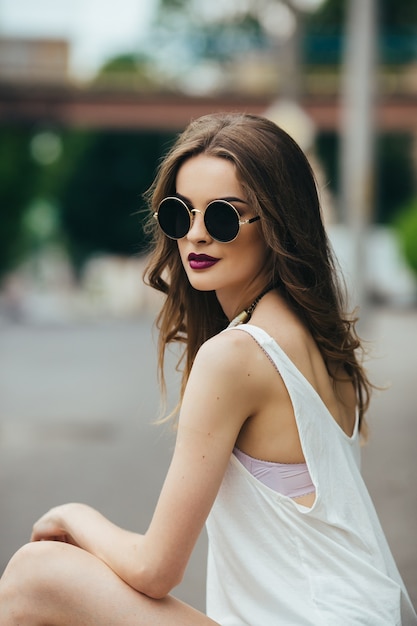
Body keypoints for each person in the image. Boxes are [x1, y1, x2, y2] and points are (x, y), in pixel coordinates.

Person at [0, 112, 415, 625]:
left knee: (33, 577)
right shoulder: (322, 339)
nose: (195, 235)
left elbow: (155, 569)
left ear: (278, 222)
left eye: (222, 216)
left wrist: (73, 516)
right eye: (179, 214)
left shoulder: (236, 355)